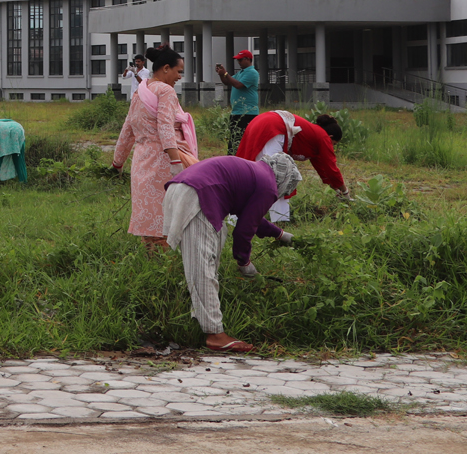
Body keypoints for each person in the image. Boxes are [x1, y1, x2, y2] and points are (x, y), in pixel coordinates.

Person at [163, 153, 299, 353]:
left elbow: (251, 216)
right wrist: (244, 262)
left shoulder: (256, 173)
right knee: (202, 269)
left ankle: (201, 320)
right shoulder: (268, 185)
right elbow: (244, 229)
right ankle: (215, 335)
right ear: (284, 179)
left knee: (204, 264)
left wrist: (278, 234)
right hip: (198, 195)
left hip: (183, 189)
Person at [111, 46, 198, 251]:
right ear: (166, 68)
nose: (179, 76)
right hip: (163, 160)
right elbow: (165, 126)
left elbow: (128, 129)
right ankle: (165, 271)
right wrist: (176, 162)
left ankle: (151, 263)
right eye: (178, 71)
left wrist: (118, 161)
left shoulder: (140, 91)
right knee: (168, 219)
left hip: (141, 160)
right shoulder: (166, 91)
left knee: (150, 221)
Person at [234, 110, 349, 222]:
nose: (332, 147)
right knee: (279, 177)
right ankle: (279, 219)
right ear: (330, 136)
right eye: (333, 144)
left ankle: (236, 217)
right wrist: (345, 192)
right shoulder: (323, 137)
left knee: (252, 173)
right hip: (274, 125)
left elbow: (324, 171)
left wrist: (336, 187)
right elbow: (331, 168)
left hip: (261, 121)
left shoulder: (314, 138)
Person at [215, 50, 260, 155]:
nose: (238, 62)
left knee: (242, 140)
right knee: (234, 140)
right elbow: (227, 82)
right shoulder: (240, 73)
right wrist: (221, 74)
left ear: (248, 59)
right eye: (237, 60)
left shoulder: (252, 73)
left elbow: (238, 85)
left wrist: (226, 73)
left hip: (247, 113)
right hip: (237, 112)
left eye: (240, 60)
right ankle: (233, 160)